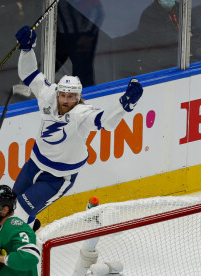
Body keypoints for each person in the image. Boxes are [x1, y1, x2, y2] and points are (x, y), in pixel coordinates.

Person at [12, 24, 143, 227]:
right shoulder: (48, 95)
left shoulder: (81, 114)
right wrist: (27, 49)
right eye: (63, 95)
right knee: (12, 207)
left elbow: (105, 122)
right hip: (33, 164)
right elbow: (29, 73)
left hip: (57, 177)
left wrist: (125, 104)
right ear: (58, 93)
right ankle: (14, 237)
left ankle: (19, 250)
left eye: (71, 97)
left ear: (78, 97)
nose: (65, 100)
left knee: (21, 212)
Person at [56, 0, 103, 88]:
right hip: (62, 35)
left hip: (80, 35)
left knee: (83, 71)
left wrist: (88, 35)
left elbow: (97, 11)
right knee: (53, 63)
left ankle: (86, 94)